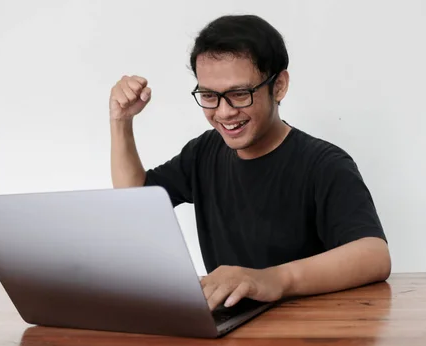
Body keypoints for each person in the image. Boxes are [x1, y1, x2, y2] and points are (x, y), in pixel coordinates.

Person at [108, 14, 391, 311]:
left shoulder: (324, 164)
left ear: (278, 86)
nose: (224, 112)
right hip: (230, 335)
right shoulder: (204, 152)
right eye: (209, 95)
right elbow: (136, 201)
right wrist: (121, 121)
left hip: (308, 334)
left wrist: (271, 280)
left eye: (239, 94)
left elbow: (374, 255)